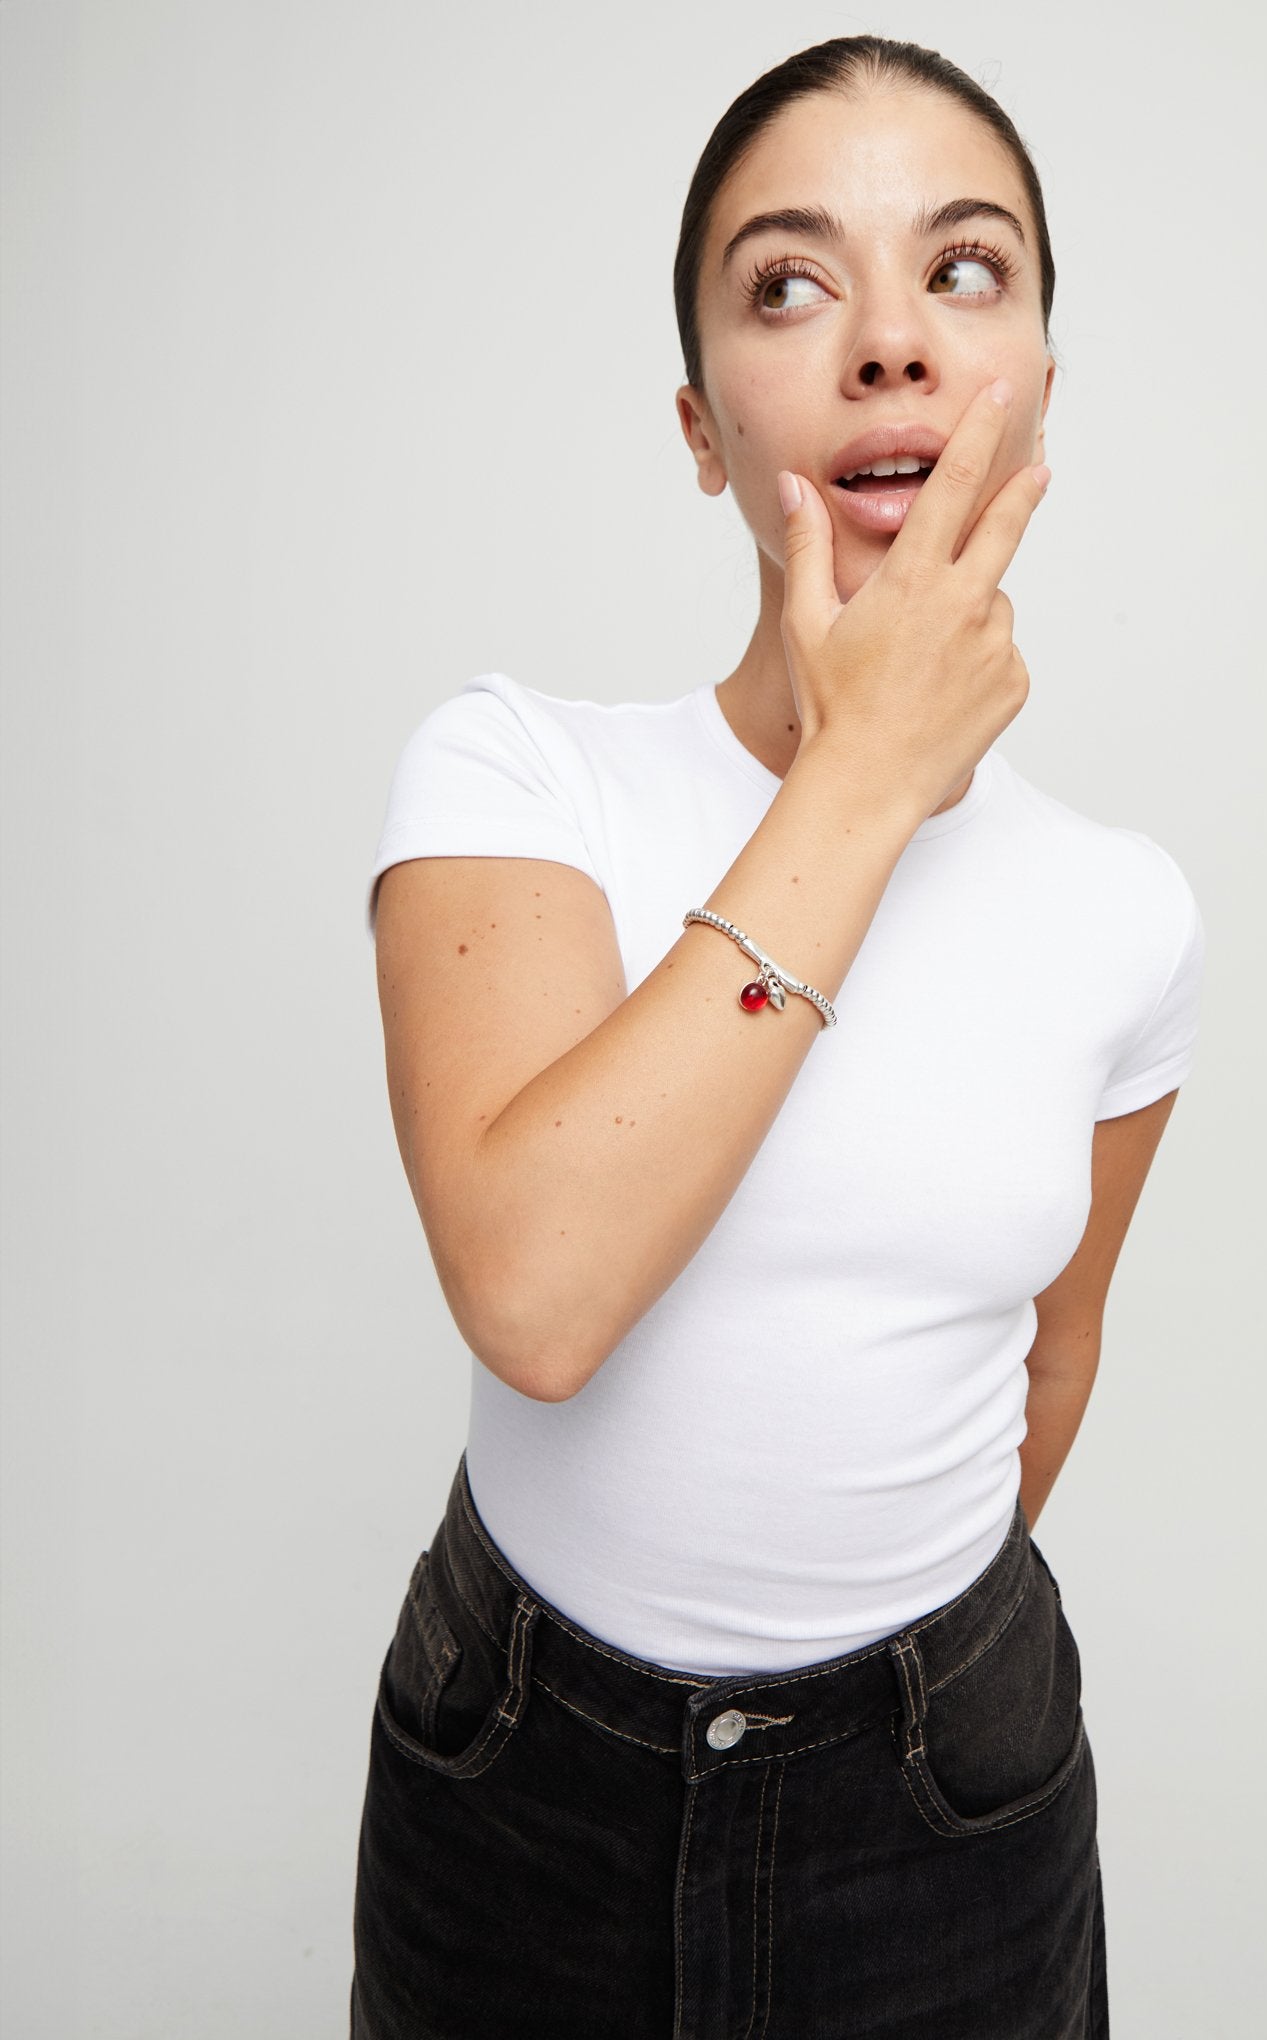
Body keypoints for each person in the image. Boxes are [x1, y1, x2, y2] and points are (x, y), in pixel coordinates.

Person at [350, 32, 1204, 2040]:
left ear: (1038, 396)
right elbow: (540, 1295)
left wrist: (877, 1676)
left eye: (962, 271)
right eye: (789, 284)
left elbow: (1047, 1357)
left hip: (945, 1781)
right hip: (521, 1778)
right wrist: (868, 772)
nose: (886, 344)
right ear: (699, 427)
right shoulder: (510, 774)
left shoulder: (1123, 910)